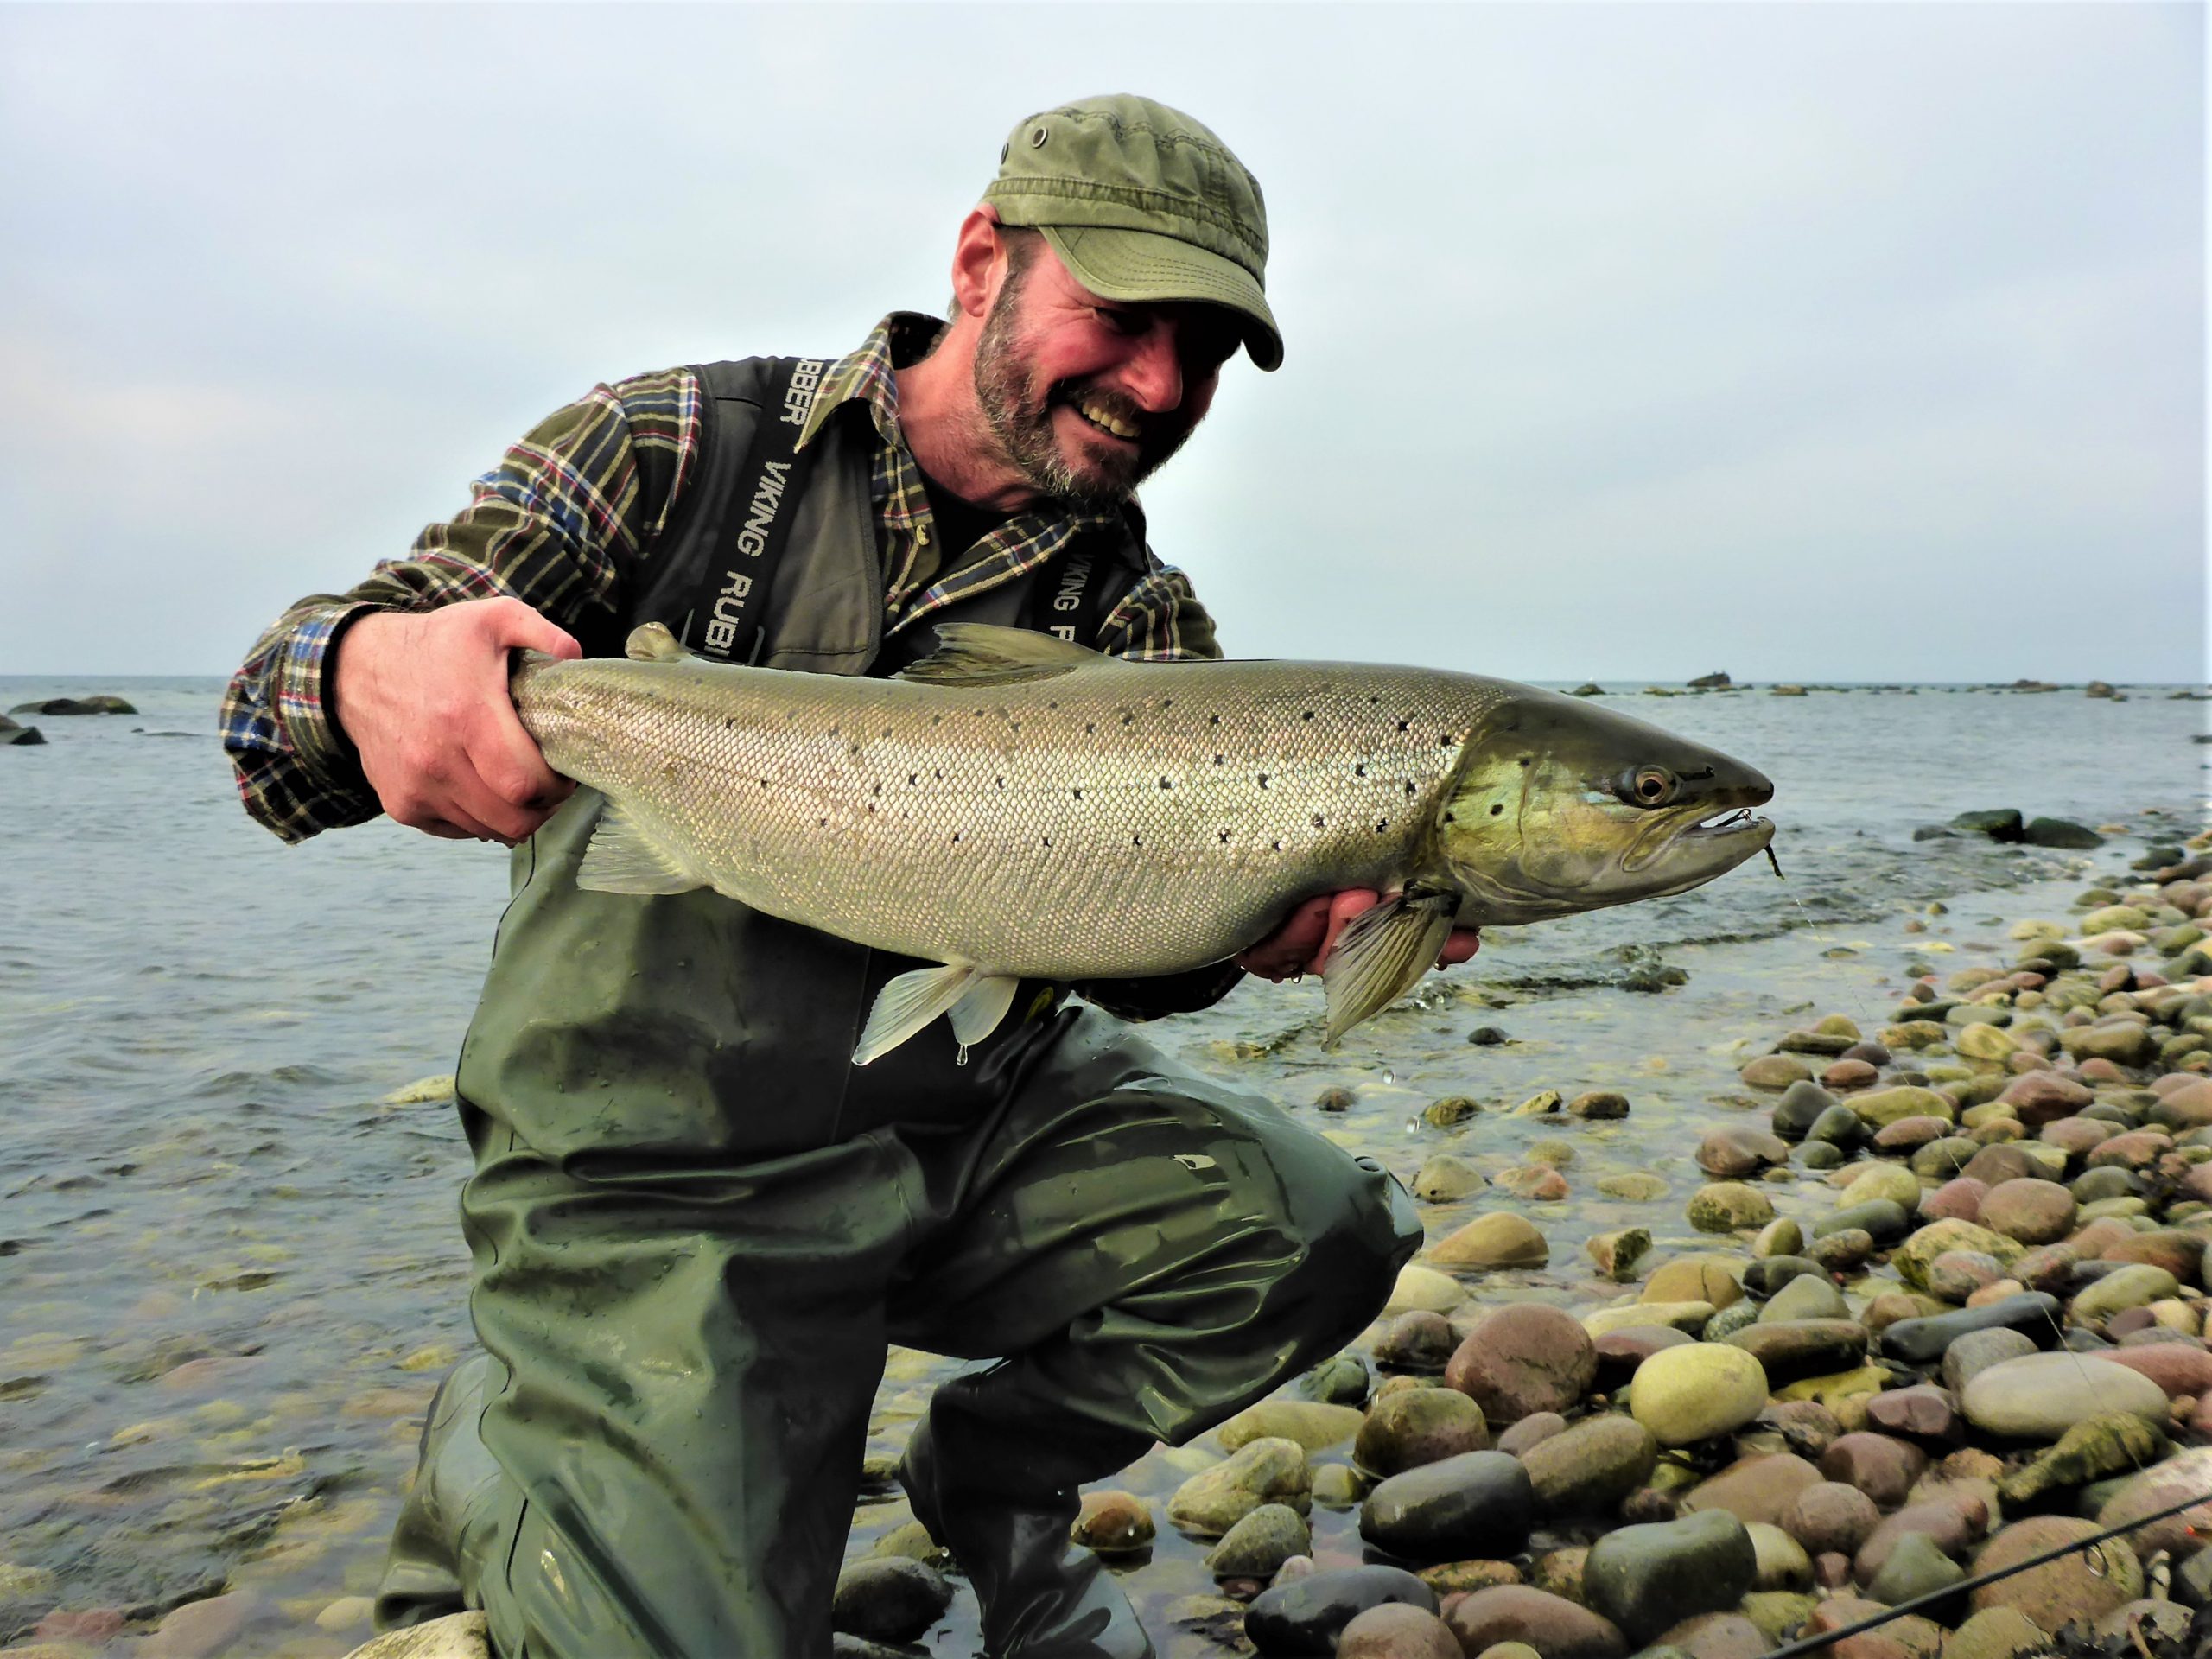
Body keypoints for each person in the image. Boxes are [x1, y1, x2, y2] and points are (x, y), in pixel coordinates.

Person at [224, 94, 1477, 1659]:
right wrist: (359, 667)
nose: (1160, 382)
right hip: (659, 1179)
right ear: (979, 262)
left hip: (961, 1129)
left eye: (1206, 350)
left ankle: (991, 1474)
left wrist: (1270, 929)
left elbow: (1146, 967)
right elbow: (269, 721)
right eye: (1121, 314)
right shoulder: (673, 446)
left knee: (1318, 1231)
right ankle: (509, 1433)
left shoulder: (1150, 629)